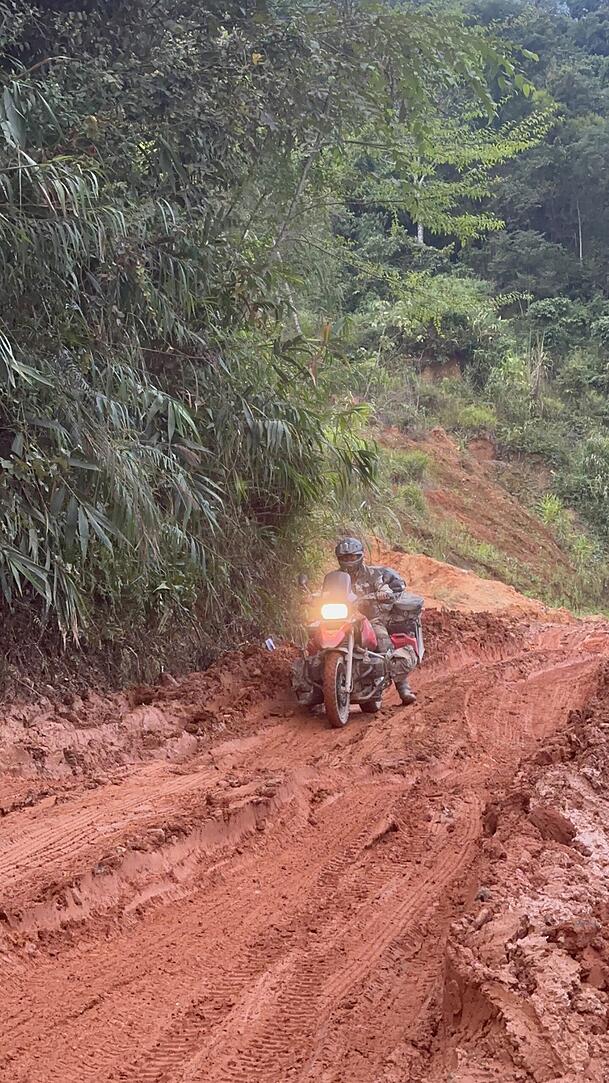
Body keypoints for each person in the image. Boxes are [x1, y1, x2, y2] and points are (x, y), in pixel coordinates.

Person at [335, 537, 418, 706]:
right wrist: (312, 597)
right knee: (315, 642)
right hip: (341, 619)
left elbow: (385, 588)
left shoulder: (373, 575)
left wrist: (382, 594)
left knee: (384, 644)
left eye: (352, 557)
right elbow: (327, 593)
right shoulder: (336, 578)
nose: (349, 560)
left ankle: (403, 687)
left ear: (360, 556)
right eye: (345, 557)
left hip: (370, 618)